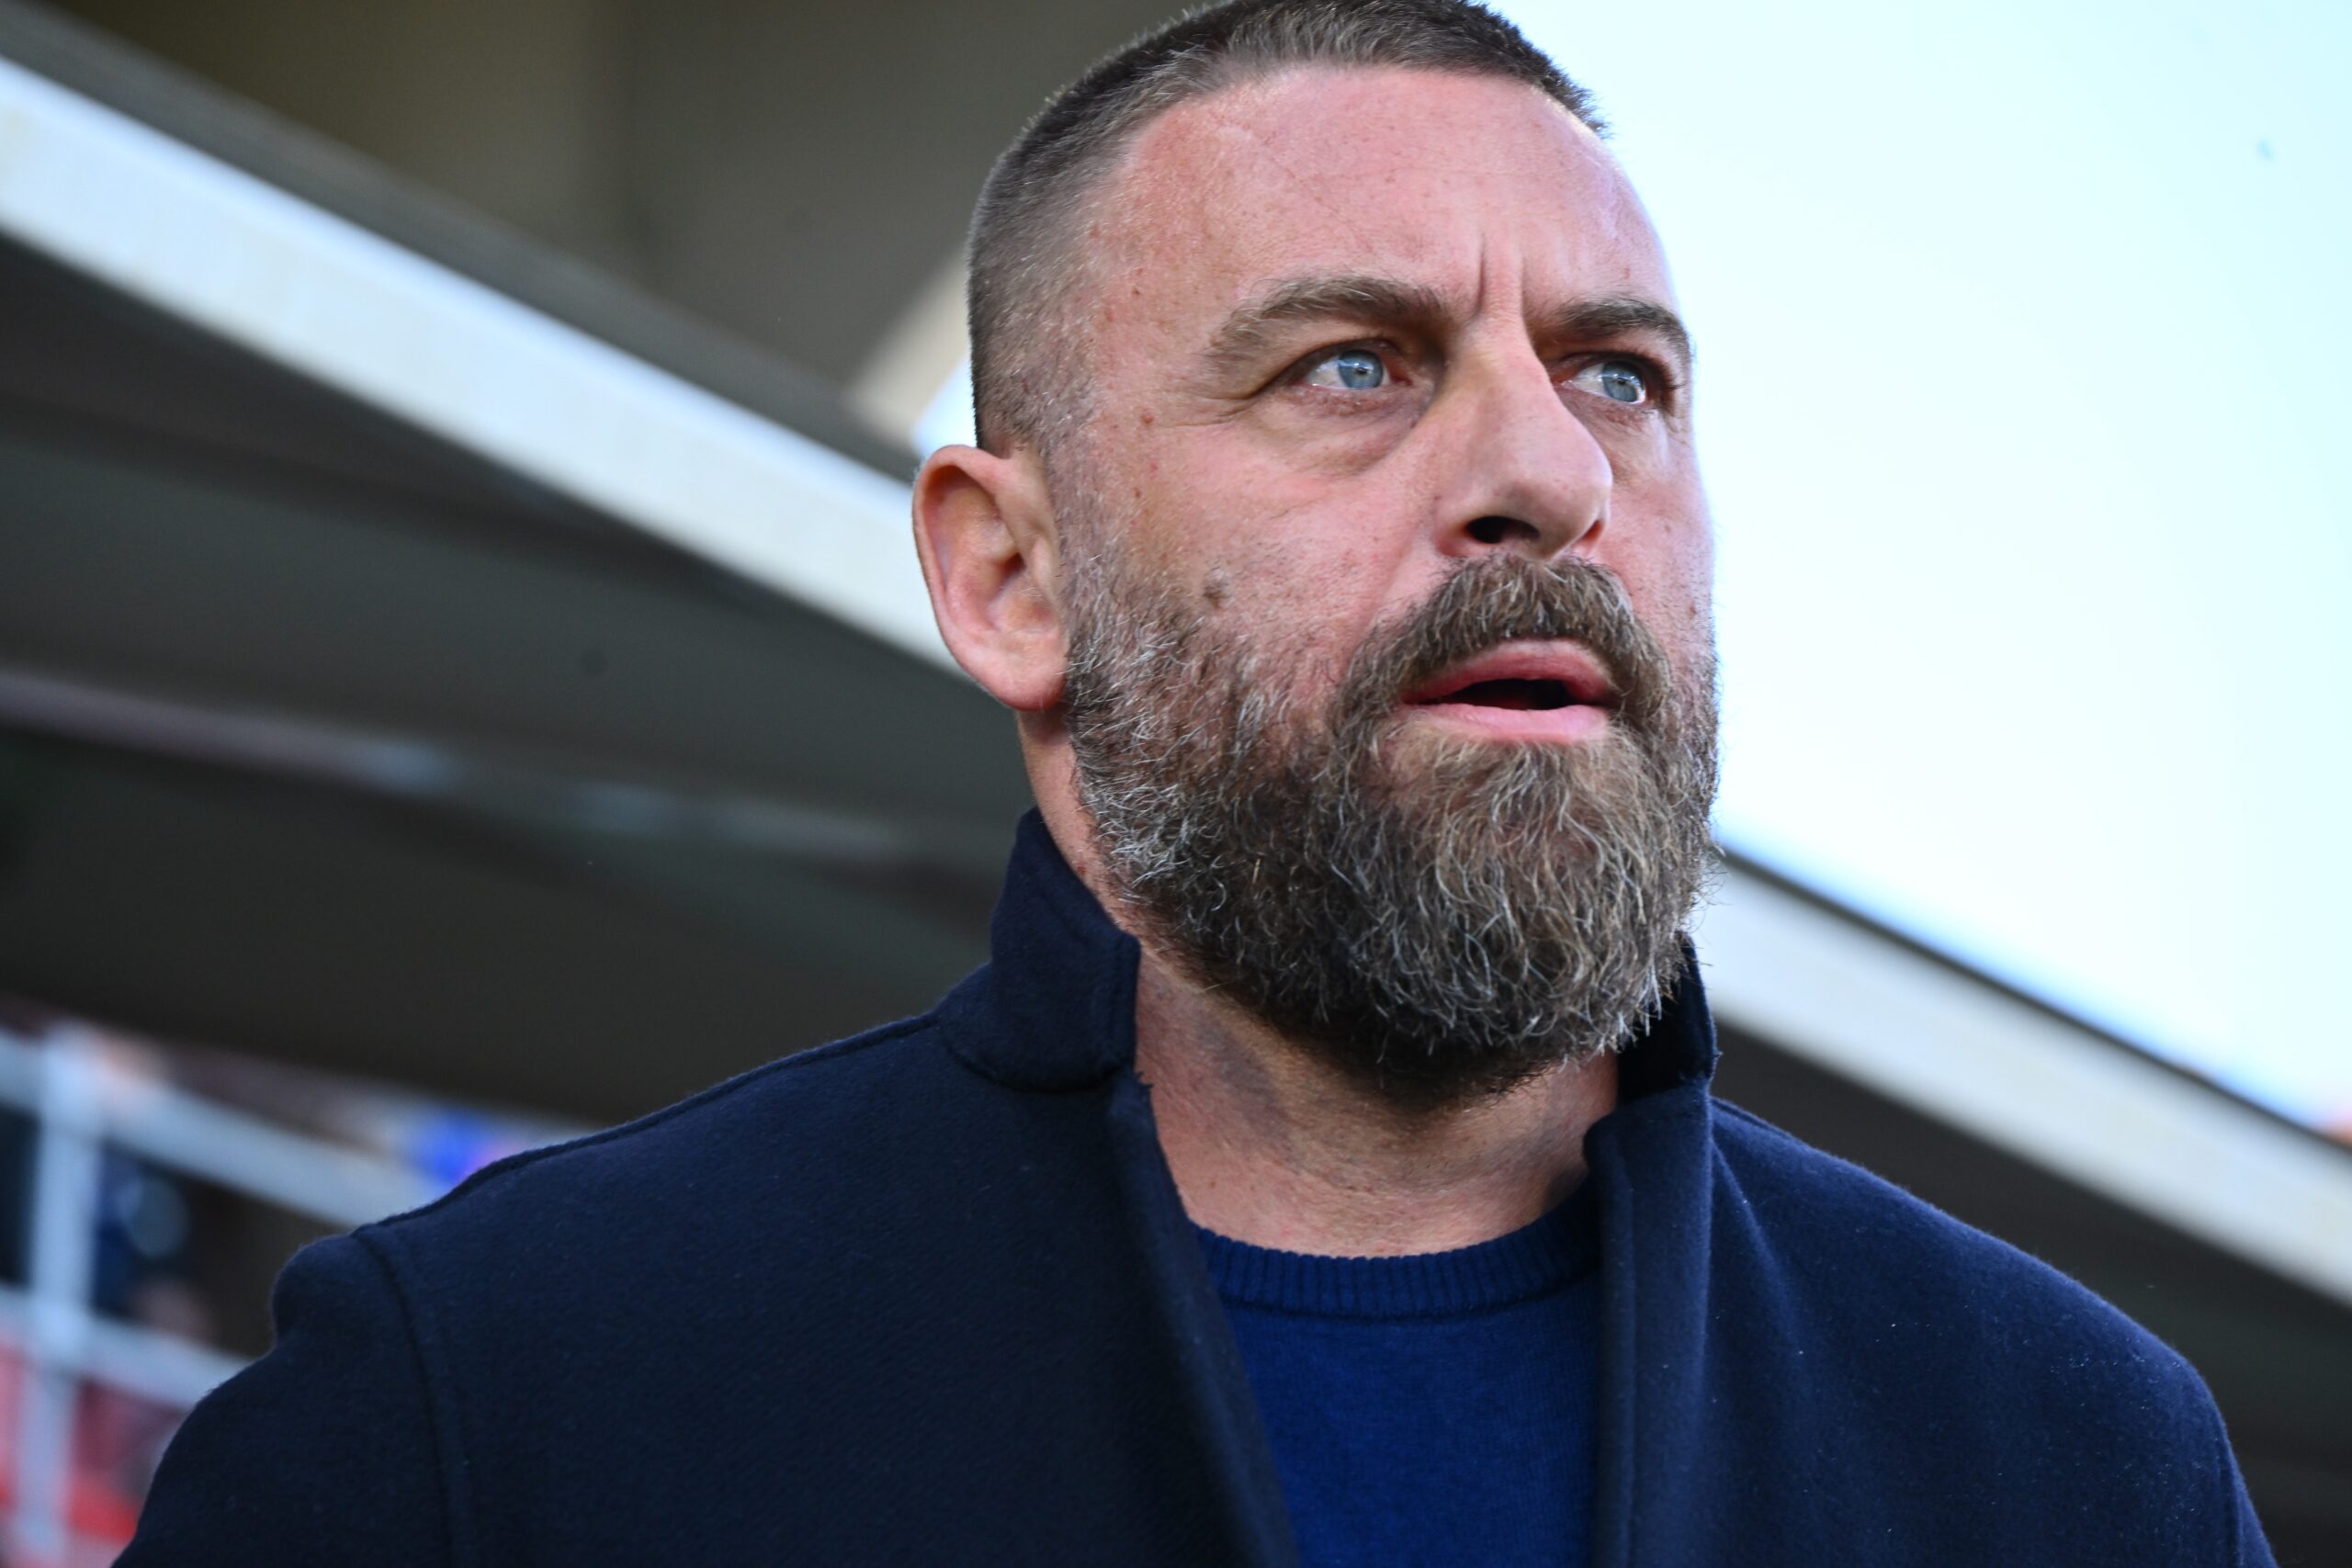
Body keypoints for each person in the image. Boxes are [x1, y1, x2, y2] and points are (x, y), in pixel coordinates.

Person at [123, 3, 2274, 1563]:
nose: (1548, 471)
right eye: (1353, 362)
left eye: (1616, 374)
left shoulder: (2071, 1466)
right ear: (1012, 573)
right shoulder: (497, 1410)